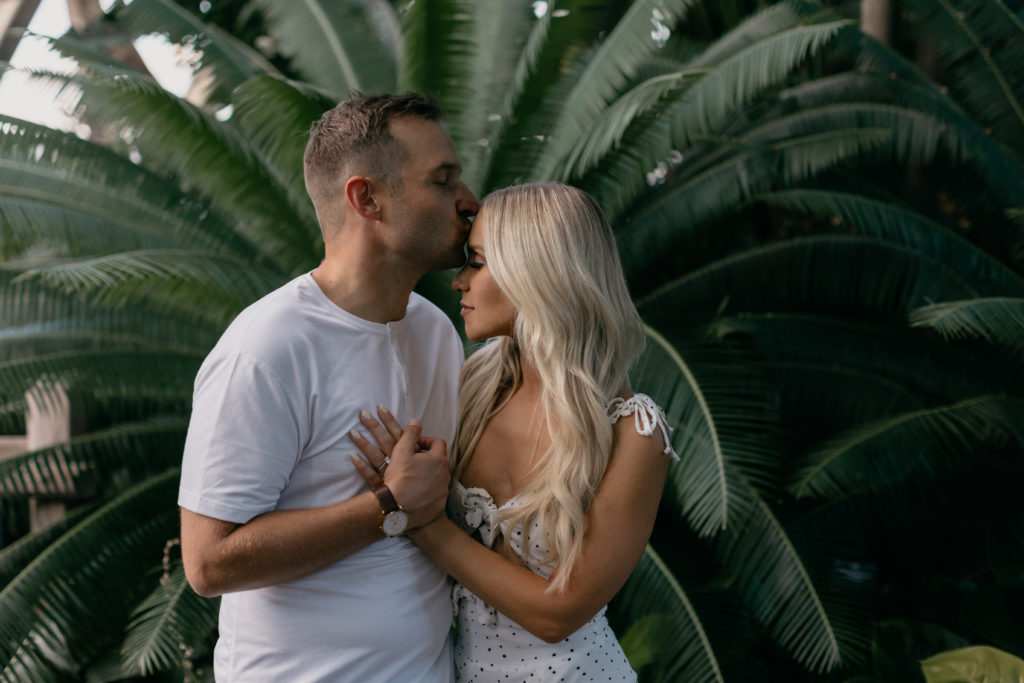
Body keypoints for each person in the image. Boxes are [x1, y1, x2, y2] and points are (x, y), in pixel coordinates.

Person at [177, 92, 479, 682]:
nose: (468, 202)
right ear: (367, 198)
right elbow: (208, 563)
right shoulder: (267, 347)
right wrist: (388, 507)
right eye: (443, 181)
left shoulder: (437, 332)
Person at [350, 182, 678, 682]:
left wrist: (417, 519)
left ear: (538, 272)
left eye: (477, 262)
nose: (458, 281)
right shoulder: (474, 384)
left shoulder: (633, 430)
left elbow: (558, 613)